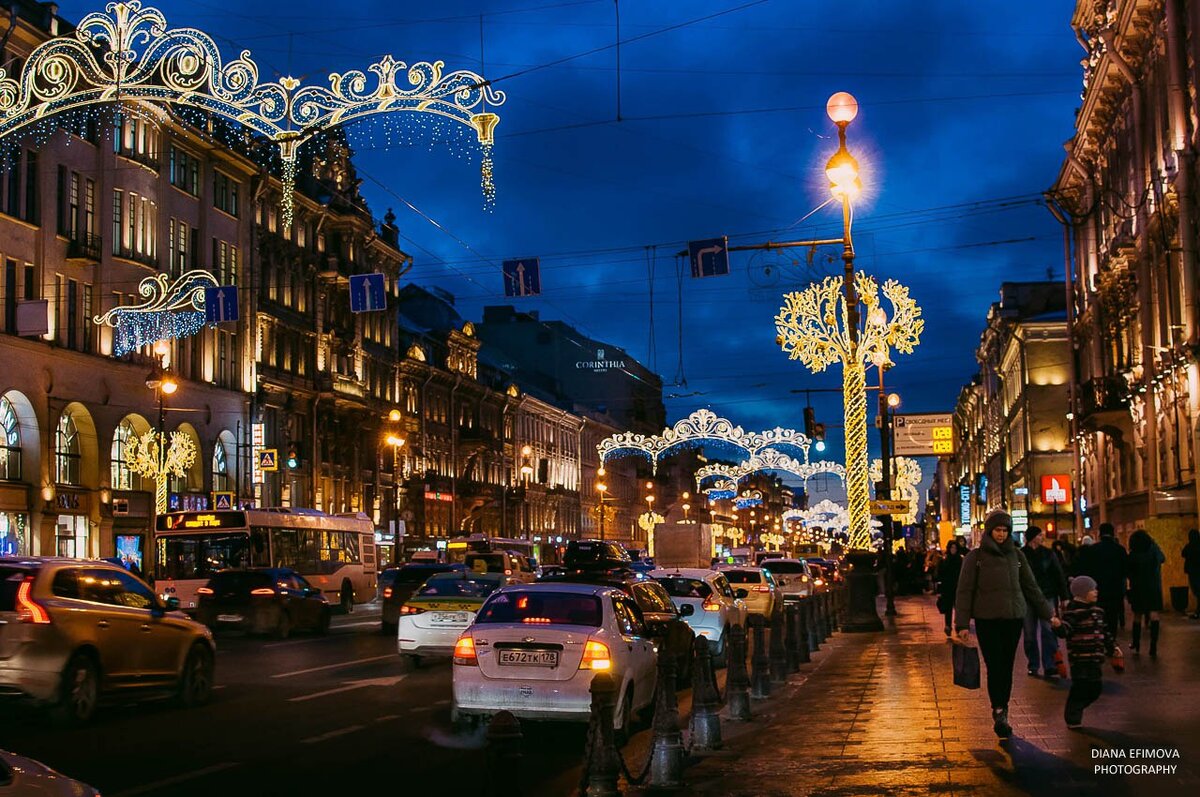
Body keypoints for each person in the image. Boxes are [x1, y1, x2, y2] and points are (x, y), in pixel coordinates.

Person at [956, 510, 1059, 739]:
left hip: (1013, 619)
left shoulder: (1017, 556)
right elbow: (964, 591)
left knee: (1007, 665)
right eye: (998, 530)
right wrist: (962, 624)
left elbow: (1031, 588)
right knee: (995, 665)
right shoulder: (976, 557)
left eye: (1005, 530)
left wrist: (1048, 615)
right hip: (987, 620)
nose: (1001, 534)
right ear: (989, 531)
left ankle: (1003, 710)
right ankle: (999, 708)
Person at [1056, 575, 1115, 729]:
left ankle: (1078, 707)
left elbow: (1104, 631)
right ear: (1082, 593)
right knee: (1080, 686)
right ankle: (1072, 716)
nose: (1096, 592)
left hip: (1095, 658)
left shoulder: (1098, 611)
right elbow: (1066, 630)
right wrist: (1057, 626)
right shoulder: (1073, 612)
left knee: (1096, 687)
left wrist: (1112, 647)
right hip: (1080, 658)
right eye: (1092, 590)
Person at [1022, 526, 1069, 679]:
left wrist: (1064, 596)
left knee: (1048, 630)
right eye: (1039, 535)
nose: (1042, 537)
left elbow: (1058, 575)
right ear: (1032, 538)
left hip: (1047, 596)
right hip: (1027, 599)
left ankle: (1049, 665)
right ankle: (1033, 664)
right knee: (1029, 634)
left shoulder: (1048, 554)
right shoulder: (1021, 555)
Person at [1072, 523, 1128, 639]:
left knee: (1099, 614)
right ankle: (1112, 640)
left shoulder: (1093, 550)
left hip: (1098, 589)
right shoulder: (1120, 550)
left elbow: (1087, 569)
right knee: (1113, 616)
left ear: (1099, 534)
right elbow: (1125, 570)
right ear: (1113, 534)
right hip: (1115, 588)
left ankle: (1101, 638)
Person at [1126, 529, 1165, 656]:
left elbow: (1128, 571)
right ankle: (1153, 645)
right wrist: (1154, 544)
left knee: (1137, 616)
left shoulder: (1133, 555)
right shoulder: (1153, 552)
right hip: (1154, 587)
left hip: (1138, 588)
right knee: (1154, 615)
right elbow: (1162, 558)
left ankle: (1136, 643)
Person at [936, 540, 964, 635]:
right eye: (952, 548)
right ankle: (948, 626)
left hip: (958, 588)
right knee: (948, 608)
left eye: (955, 548)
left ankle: (958, 626)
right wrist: (940, 590)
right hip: (947, 588)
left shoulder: (960, 560)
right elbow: (940, 575)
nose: (953, 550)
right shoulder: (944, 561)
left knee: (958, 608)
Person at [1183, 529, 1200, 619]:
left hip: (1192, 572)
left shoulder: (1189, 546)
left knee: (1197, 591)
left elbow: (1183, 553)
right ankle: (1198, 610)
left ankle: (1198, 611)